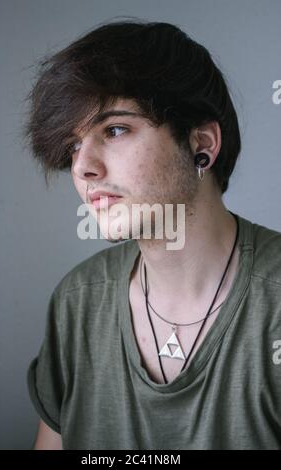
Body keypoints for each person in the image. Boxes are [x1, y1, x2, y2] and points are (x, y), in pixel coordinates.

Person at [24, 19, 281, 450]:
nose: (83, 168)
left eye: (115, 129)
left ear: (201, 143)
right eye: (73, 146)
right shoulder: (77, 301)